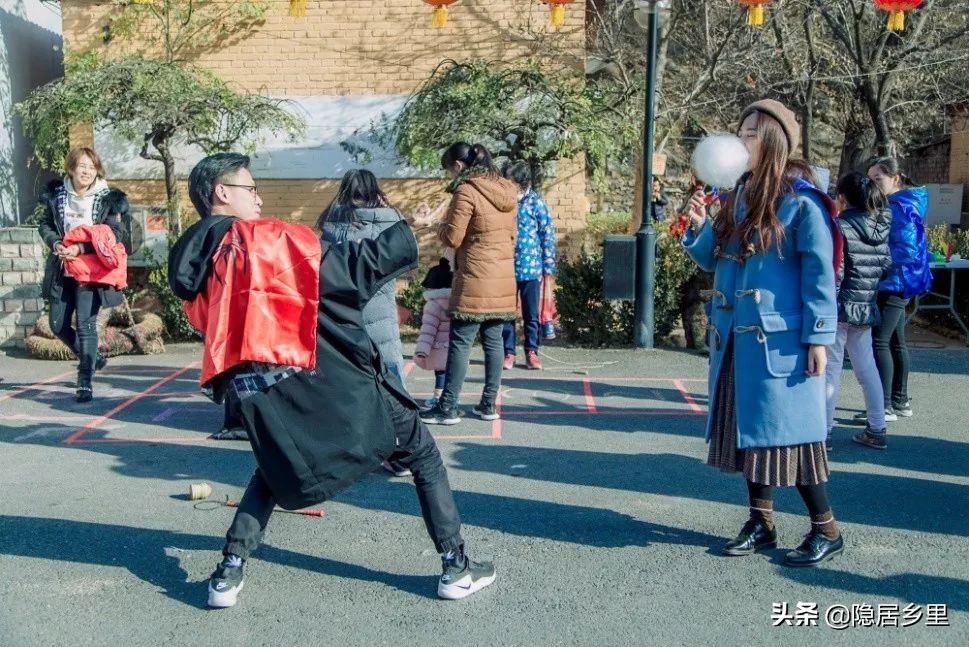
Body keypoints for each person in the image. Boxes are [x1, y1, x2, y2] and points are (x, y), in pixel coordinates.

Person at [168, 152, 495, 608]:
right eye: (250, 187)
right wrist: (405, 233)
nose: (259, 196)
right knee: (421, 451)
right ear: (223, 193)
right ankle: (456, 566)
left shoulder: (198, 263)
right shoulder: (259, 240)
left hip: (256, 392)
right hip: (317, 372)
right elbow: (342, 273)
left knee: (273, 467)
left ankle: (228, 571)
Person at [683, 99, 844, 567]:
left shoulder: (801, 201)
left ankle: (826, 529)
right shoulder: (738, 194)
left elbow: (820, 274)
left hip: (781, 340)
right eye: (741, 131)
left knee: (793, 439)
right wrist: (697, 227)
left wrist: (819, 337)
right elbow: (716, 259)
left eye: (752, 133)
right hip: (736, 336)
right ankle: (761, 522)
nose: (741, 140)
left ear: (773, 141)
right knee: (746, 434)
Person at [420, 142, 518, 425]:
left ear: (459, 166)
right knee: (494, 342)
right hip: (502, 278)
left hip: (475, 277)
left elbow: (453, 238)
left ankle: (447, 406)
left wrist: (437, 225)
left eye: (450, 171)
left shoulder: (466, 190)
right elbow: (512, 236)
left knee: (460, 343)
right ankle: (488, 405)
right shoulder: (508, 190)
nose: (451, 177)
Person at [38, 147, 130, 403]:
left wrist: (80, 248)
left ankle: (85, 380)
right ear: (71, 169)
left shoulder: (108, 198)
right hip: (63, 268)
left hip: (93, 270)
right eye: (82, 166)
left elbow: (116, 234)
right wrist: (57, 245)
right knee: (57, 325)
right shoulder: (57, 196)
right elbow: (45, 225)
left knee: (86, 326)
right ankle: (93, 359)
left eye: (92, 166)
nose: (87, 171)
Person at [855, 157, 931, 423]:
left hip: (893, 283)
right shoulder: (901, 204)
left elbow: (905, 250)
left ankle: (884, 404)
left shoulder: (899, 207)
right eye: (871, 179)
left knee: (880, 341)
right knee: (896, 342)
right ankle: (899, 401)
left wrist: (877, 266)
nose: (873, 184)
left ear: (895, 179)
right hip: (899, 282)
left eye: (878, 179)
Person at [824, 172, 892, 451]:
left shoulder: (839, 226)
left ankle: (823, 433)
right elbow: (887, 266)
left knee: (831, 369)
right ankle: (877, 427)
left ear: (842, 199)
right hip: (866, 305)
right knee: (867, 367)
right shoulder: (882, 226)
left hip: (840, 306)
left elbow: (835, 272)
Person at [319, 169, 406, 379]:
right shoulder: (389, 223)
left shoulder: (331, 226)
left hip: (341, 311)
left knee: (349, 374)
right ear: (374, 191)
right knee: (390, 368)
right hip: (380, 308)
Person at [500, 161, 557, 371]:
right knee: (506, 313)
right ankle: (509, 352)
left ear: (522, 183)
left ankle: (531, 351)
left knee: (531, 314)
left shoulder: (536, 204)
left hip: (531, 268)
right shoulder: (503, 203)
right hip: (506, 267)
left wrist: (548, 263)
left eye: (512, 182)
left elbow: (547, 234)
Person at [413, 253, 454, 408]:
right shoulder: (455, 302)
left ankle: (438, 399)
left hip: (438, 347)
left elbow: (428, 330)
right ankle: (451, 399)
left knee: (440, 374)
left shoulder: (433, 305)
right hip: (455, 347)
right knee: (451, 374)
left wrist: (422, 350)